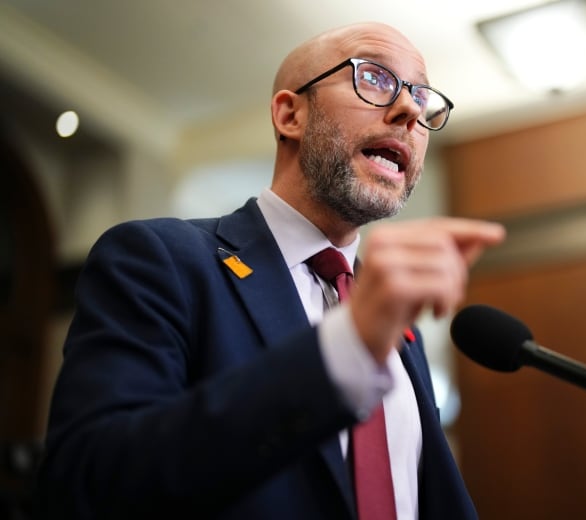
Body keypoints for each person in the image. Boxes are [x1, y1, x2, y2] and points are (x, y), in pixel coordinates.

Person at [35, 21, 505, 519]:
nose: (411, 109)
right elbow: (88, 481)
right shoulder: (159, 259)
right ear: (290, 114)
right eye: (375, 78)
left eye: (422, 96)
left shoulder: (397, 328)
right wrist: (342, 352)